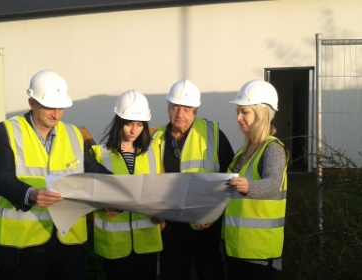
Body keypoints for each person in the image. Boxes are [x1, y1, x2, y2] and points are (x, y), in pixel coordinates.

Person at [0, 69, 111, 280]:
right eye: (49, 108)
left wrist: (120, 192)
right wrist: (31, 194)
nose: (56, 114)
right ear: (32, 103)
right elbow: (1, 178)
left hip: (69, 243)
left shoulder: (73, 134)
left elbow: (94, 171)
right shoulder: (7, 131)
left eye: (61, 108)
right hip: (23, 244)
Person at [151, 79, 234, 280]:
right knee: (173, 273)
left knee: (210, 271)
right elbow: (150, 181)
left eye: (187, 109)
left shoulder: (213, 135)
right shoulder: (156, 139)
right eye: (175, 107)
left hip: (206, 224)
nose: (180, 114)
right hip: (171, 225)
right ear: (168, 108)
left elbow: (230, 178)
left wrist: (214, 214)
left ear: (195, 111)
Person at [89, 90, 164, 280]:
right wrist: (103, 207)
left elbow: (161, 191)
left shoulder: (153, 153)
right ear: (119, 122)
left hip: (147, 241)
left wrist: (162, 214)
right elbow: (87, 196)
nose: (134, 130)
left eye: (139, 124)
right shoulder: (99, 155)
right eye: (129, 123)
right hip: (114, 245)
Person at [224, 80, 289, 280]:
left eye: (244, 112)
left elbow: (272, 184)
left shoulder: (273, 149)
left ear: (261, 114)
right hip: (237, 248)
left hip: (259, 253)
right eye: (237, 112)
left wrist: (248, 186)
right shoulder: (244, 151)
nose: (238, 118)